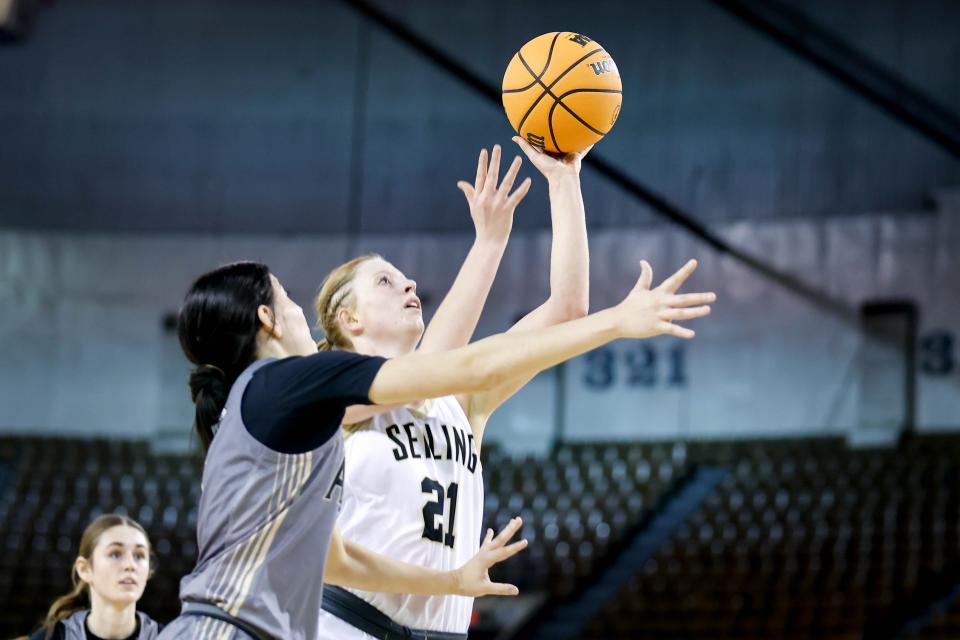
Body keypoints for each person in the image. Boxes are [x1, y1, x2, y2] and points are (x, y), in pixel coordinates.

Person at [162, 247, 712, 639]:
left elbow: (337, 555)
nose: (299, 308)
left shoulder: (289, 411)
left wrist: (449, 580)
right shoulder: (298, 386)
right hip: (253, 626)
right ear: (266, 317)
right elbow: (464, 362)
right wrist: (616, 322)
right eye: (287, 299)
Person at [314, 138, 595, 639]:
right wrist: (489, 243)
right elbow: (430, 366)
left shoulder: (460, 398)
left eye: (404, 279)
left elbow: (568, 310)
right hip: (349, 625)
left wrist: (565, 180)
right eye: (384, 281)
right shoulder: (329, 395)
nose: (408, 285)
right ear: (348, 317)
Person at [29, 514, 161, 640]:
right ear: (84, 569)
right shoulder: (52, 637)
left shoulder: (168, 636)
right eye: (115, 554)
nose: (130, 565)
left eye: (139, 555)